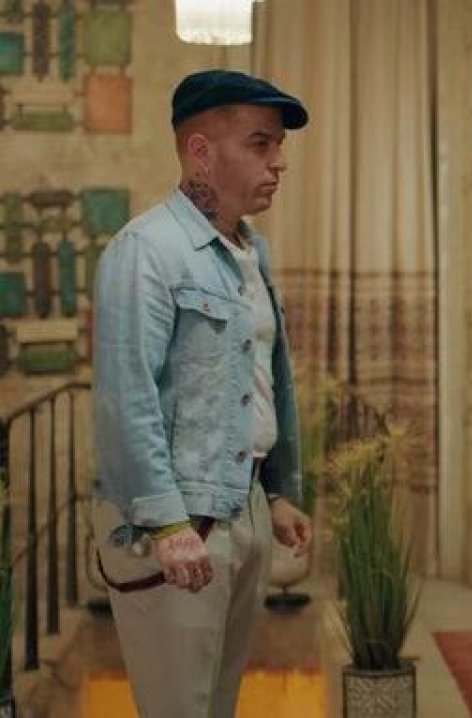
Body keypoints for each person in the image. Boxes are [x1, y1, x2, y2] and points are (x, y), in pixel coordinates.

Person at [91, 69, 313, 718]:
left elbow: (263, 376)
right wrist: (166, 523)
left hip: (242, 502)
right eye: (260, 144)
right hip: (177, 520)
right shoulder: (146, 250)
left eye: (278, 146)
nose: (279, 162)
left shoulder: (249, 251)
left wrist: (277, 490)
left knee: (218, 704)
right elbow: (125, 400)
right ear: (201, 152)